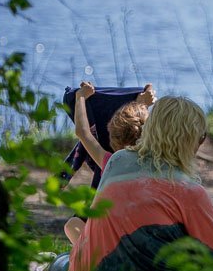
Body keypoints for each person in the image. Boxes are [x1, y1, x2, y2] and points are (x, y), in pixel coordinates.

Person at [68, 96, 213, 271]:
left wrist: (212, 204)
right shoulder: (187, 190)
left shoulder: (118, 161)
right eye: (202, 136)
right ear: (190, 139)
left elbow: (149, 210)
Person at [63, 81, 155, 244]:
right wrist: (142, 105)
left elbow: (83, 132)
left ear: (112, 136)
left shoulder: (111, 163)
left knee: (72, 225)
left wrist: (80, 98)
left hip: (112, 239)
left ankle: (89, 258)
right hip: (143, 234)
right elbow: (139, 132)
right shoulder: (155, 161)